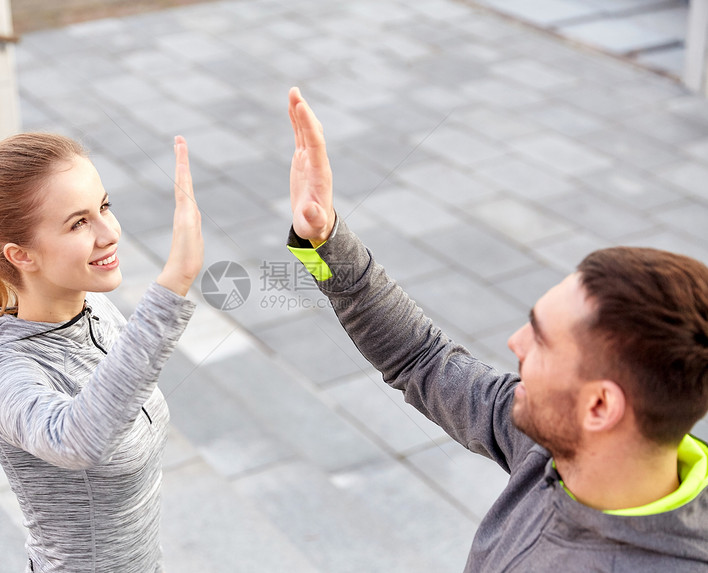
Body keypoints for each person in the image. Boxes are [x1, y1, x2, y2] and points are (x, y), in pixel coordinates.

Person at [284, 86, 708, 571]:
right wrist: (323, 242)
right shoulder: (555, 444)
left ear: (599, 405)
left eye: (541, 341)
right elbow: (420, 359)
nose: (515, 343)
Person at [0, 132, 202, 573]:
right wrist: (173, 285)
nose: (110, 232)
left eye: (104, 206)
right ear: (21, 255)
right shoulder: (6, 374)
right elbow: (77, 440)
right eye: (78, 222)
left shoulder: (96, 308)